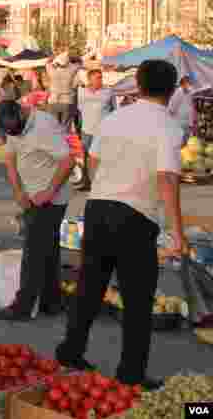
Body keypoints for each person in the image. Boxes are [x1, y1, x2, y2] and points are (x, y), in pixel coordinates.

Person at [56, 59, 190, 390]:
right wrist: (177, 233)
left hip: (99, 209)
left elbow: (94, 160)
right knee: (137, 300)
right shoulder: (169, 126)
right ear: (172, 91)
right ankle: (130, 374)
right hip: (135, 216)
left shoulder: (114, 118)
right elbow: (167, 181)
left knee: (89, 287)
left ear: (138, 86)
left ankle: (70, 352)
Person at [0, 99, 73, 321]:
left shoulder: (44, 125)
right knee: (47, 248)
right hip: (30, 197)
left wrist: (48, 192)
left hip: (49, 200)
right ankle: (52, 300)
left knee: (33, 251)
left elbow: (68, 161)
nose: (14, 133)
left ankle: (23, 305)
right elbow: (10, 159)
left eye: (16, 128)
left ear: (21, 111)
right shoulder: (13, 126)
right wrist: (18, 191)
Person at [77, 69, 116, 188]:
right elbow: (78, 111)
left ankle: (103, 183)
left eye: (101, 77)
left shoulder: (109, 91)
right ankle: (87, 182)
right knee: (86, 158)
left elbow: (114, 110)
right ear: (89, 79)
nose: (101, 80)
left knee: (103, 158)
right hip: (86, 131)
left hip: (103, 132)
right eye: (97, 78)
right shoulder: (80, 92)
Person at [46, 56, 79, 130]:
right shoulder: (71, 70)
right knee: (66, 126)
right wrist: (71, 58)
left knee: (54, 126)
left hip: (53, 101)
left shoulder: (52, 71)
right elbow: (80, 62)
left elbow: (47, 62)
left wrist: (55, 58)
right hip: (67, 101)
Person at [168, 75, 195, 142]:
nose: (189, 84)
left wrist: (191, 123)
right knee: (179, 141)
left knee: (186, 141)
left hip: (187, 123)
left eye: (189, 82)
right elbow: (171, 108)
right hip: (178, 123)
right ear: (182, 84)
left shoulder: (191, 92)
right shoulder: (178, 92)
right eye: (187, 82)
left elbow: (191, 107)